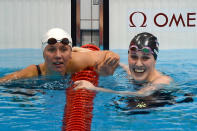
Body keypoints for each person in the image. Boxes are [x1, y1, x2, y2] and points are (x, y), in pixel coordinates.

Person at [0, 28, 119, 83]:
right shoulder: (33, 72)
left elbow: (110, 54)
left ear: (70, 53)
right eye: (51, 50)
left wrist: (108, 66)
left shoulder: (76, 62)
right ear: (43, 54)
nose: (58, 55)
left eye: (63, 50)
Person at [74, 32, 172, 97]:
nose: (138, 64)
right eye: (134, 57)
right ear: (128, 56)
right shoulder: (131, 71)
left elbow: (141, 94)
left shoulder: (162, 80)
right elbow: (116, 63)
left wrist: (93, 88)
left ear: (155, 60)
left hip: (159, 104)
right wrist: (86, 52)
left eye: (145, 58)